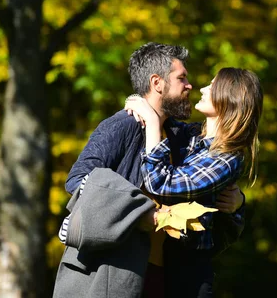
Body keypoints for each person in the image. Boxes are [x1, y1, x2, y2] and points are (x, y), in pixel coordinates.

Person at [54, 43, 246, 298]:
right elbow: (78, 180)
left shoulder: (182, 137)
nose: (190, 85)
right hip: (112, 271)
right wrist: (143, 214)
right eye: (182, 78)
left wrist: (238, 205)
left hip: (165, 275)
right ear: (157, 83)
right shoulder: (122, 125)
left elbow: (207, 199)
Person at [124, 67, 263, 255]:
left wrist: (151, 121)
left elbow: (160, 183)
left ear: (230, 99)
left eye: (213, 87)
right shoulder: (193, 136)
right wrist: (137, 102)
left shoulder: (226, 159)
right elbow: (160, 113)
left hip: (188, 270)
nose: (203, 89)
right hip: (160, 256)